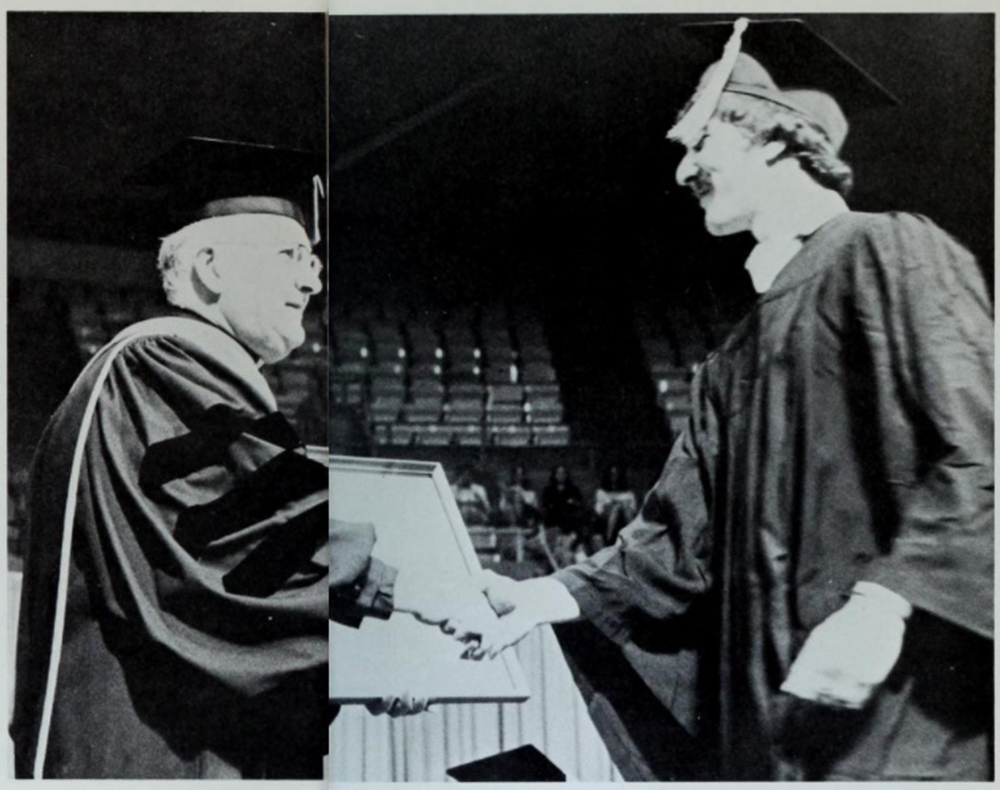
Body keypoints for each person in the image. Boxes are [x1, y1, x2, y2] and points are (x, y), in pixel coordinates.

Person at [460, 19, 994, 782]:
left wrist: (885, 606)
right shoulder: (732, 359)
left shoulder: (890, 252)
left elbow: (981, 448)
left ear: (774, 139)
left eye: (700, 142)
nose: (681, 172)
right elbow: (678, 546)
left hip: (897, 721)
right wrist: (543, 595)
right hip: (773, 723)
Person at [9, 138, 436, 779]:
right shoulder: (156, 364)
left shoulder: (183, 374)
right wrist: (407, 595)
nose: (313, 279)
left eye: (314, 259)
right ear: (210, 266)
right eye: (292, 255)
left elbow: (215, 609)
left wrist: (363, 666)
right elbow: (243, 544)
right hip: (147, 752)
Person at [592, 464, 637, 546]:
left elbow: (633, 509)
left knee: (623, 509)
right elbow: (598, 511)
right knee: (615, 509)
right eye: (612, 474)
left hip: (624, 520)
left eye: (616, 474)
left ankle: (632, 538)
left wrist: (622, 506)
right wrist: (611, 506)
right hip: (606, 521)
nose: (614, 477)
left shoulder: (628, 493)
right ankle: (608, 539)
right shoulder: (602, 492)